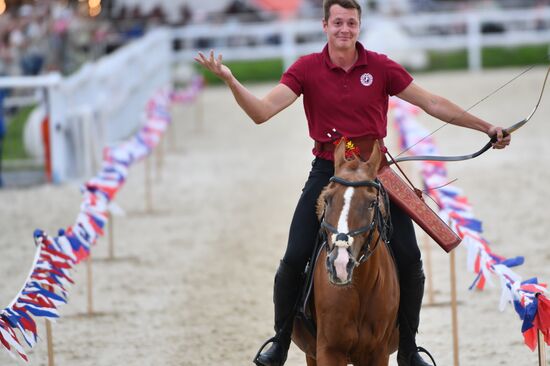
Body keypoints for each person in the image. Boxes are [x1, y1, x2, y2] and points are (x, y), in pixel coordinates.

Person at [195, 1, 511, 365]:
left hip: (378, 175)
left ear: (359, 25)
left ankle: (408, 348)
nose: (344, 29)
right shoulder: (306, 69)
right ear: (324, 25)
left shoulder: (380, 66)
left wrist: (486, 126)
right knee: (294, 257)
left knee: (410, 259)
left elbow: (433, 102)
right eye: (338, 22)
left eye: (351, 23)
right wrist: (231, 81)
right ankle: (281, 342)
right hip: (327, 173)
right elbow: (262, 112)